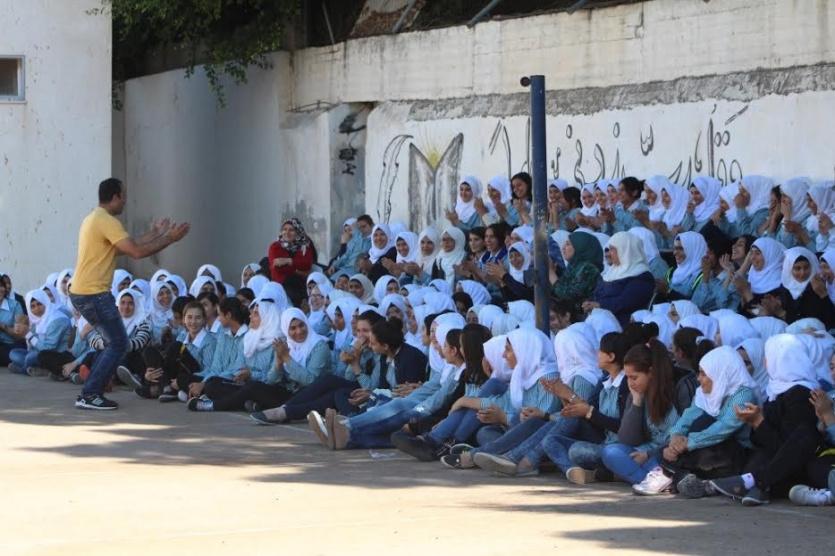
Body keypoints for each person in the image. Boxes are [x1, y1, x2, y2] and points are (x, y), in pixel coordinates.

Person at [69, 177, 189, 410]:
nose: (125, 200)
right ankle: (90, 393)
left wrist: (156, 233)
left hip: (83, 293)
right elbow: (136, 252)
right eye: (123, 196)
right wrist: (170, 238)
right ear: (115, 197)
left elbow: (128, 244)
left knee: (114, 343)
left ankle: (92, 388)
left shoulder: (94, 218)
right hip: (94, 294)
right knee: (118, 344)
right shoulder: (107, 220)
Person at [710, 334, 821, 506]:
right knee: (753, 459)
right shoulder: (776, 390)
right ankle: (754, 484)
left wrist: (758, 422)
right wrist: (754, 421)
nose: (765, 363)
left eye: (768, 358)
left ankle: (758, 483)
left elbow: (787, 447)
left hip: (799, 465)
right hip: (775, 459)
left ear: (780, 360)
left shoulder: (801, 395)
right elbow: (764, 442)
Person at [600, 340, 679, 485]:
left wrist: (648, 454)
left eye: (634, 377)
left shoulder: (672, 394)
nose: (630, 383)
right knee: (610, 452)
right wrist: (636, 402)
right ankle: (649, 481)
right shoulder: (636, 394)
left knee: (653, 465)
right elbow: (627, 439)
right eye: (627, 377)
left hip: (664, 455)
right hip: (641, 452)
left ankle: (652, 480)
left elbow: (676, 441)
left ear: (651, 373)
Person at [267, 218, 315, 304]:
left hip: (300, 285)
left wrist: (289, 261)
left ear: (298, 232)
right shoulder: (275, 247)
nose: (287, 232)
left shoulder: (304, 246)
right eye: (284, 229)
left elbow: (307, 264)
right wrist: (299, 270)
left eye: (291, 230)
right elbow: (278, 269)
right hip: (282, 286)